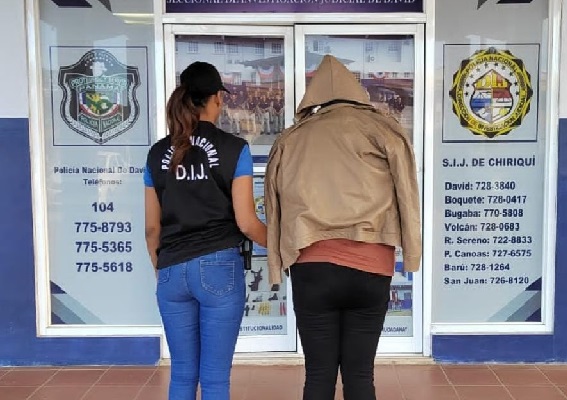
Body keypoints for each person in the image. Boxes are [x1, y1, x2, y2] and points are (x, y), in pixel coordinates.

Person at [265, 55, 422, 400]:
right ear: (357, 92)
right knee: (360, 374)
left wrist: (276, 266)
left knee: (318, 374)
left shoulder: (291, 139)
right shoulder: (385, 130)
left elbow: (275, 207)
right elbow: (408, 196)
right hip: (371, 265)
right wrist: (412, 254)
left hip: (311, 267)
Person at [144, 61, 266, 400]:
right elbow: (246, 223)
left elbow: (151, 228)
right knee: (214, 379)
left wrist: (164, 269)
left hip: (170, 268)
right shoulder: (234, 148)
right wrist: (281, 243)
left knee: (182, 374)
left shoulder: (156, 154)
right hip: (218, 269)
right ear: (215, 99)